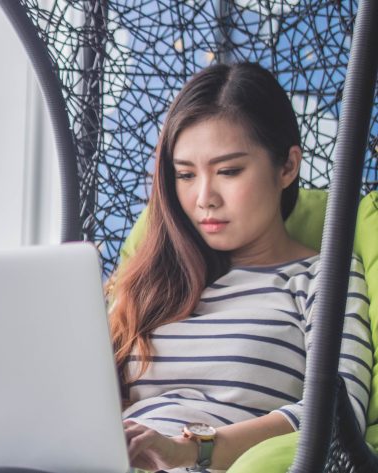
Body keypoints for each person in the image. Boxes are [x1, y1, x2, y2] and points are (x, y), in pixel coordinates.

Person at [110, 62, 372, 472]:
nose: (204, 198)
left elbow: (340, 418)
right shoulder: (153, 281)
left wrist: (195, 448)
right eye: (185, 175)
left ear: (287, 167)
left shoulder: (322, 278)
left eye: (229, 171)